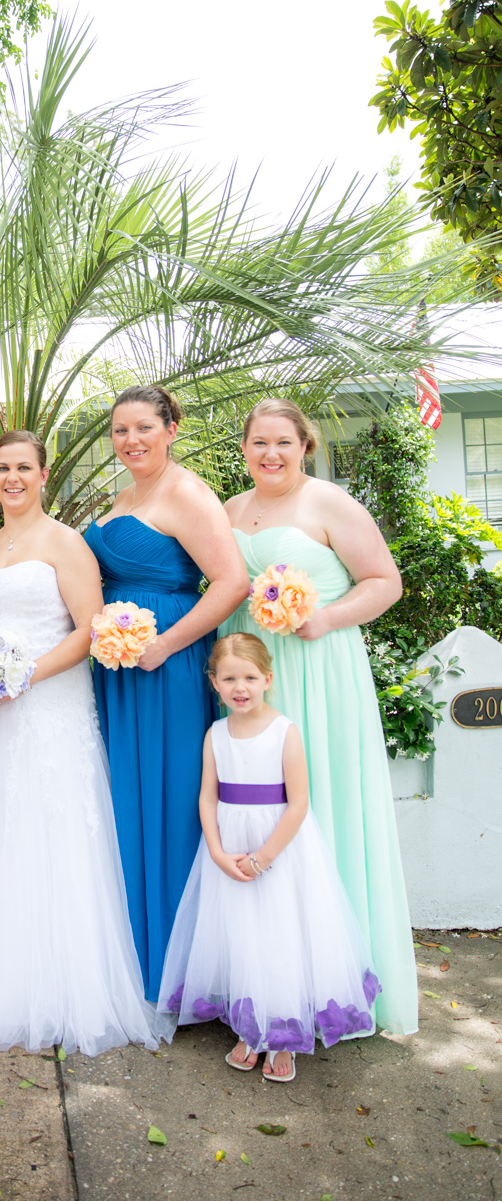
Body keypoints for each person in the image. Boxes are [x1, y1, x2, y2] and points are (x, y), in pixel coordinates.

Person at [0, 431, 155, 1054]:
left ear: (43, 473)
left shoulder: (66, 543)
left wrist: (24, 675)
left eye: (23, 467)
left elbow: (89, 630)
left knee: (47, 830)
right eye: (2, 467)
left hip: (48, 703)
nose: (12, 477)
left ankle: (60, 989)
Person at [220, 396, 417, 1036]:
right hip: (248, 678)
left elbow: (384, 582)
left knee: (317, 806)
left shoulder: (331, 503)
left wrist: (325, 617)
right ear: (244, 448)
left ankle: (331, 983)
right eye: (259, 442)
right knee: (256, 812)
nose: (271, 453)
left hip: (314, 668)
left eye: (284, 441)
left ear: (305, 445)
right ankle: (270, 978)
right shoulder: (230, 511)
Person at [84, 386, 250, 997]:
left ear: (171, 429)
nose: (130, 440)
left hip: (167, 666)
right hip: (117, 669)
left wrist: (165, 645)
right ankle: (133, 956)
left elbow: (231, 583)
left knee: (172, 799)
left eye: (144, 428)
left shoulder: (187, 493)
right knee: (126, 799)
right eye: (120, 430)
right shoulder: (124, 496)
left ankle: (181, 971)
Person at [158, 632, 381, 1082]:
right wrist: (217, 852)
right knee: (241, 932)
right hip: (230, 848)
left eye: (249, 677)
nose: (239, 687)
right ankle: (250, 1028)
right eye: (228, 679)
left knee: (279, 933)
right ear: (214, 683)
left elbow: (298, 803)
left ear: (267, 679)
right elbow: (207, 797)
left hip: (279, 849)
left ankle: (282, 1033)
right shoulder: (216, 734)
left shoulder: (284, 731)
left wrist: (263, 857)